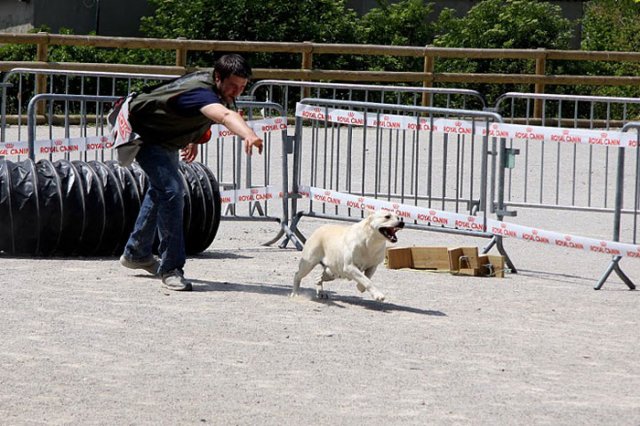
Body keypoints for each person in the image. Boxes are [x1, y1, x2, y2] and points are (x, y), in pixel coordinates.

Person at [118, 54, 263, 291]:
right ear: (218, 77)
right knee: (173, 191)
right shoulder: (201, 91)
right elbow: (224, 115)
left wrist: (192, 138)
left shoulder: (217, 86)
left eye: (242, 87)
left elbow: (196, 113)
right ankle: (171, 269)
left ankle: (137, 253)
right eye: (233, 86)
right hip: (144, 135)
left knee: (161, 190)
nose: (237, 92)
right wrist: (248, 134)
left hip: (166, 136)